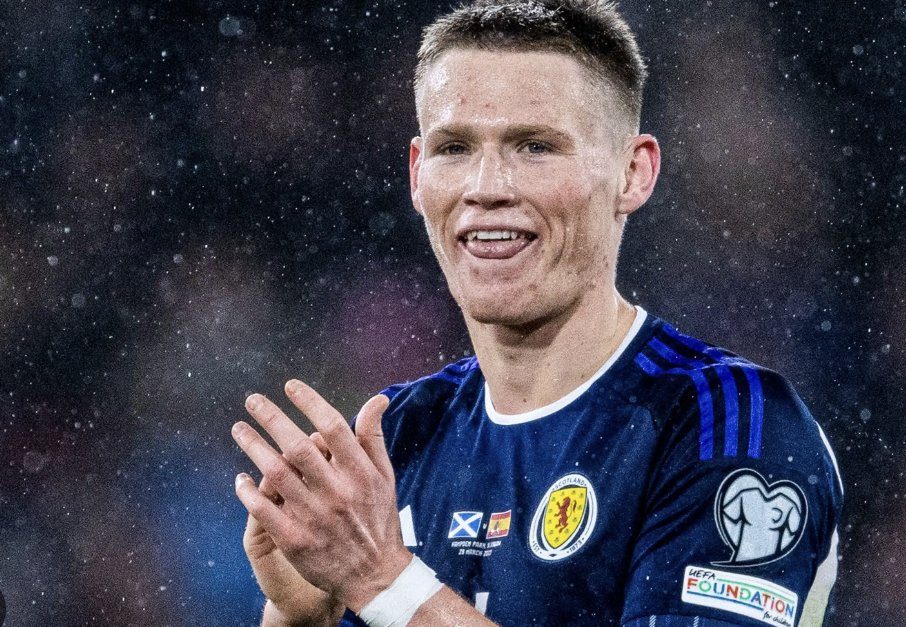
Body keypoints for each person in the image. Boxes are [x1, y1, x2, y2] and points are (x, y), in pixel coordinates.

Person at [230, 1, 844, 626]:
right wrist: (302, 618)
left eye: (535, 146)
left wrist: (380, 580)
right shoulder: (397, 438)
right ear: (417, 176)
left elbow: (386, 586)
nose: (486, 186)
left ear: (632, 173)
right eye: (454, 148)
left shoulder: (727, 422)